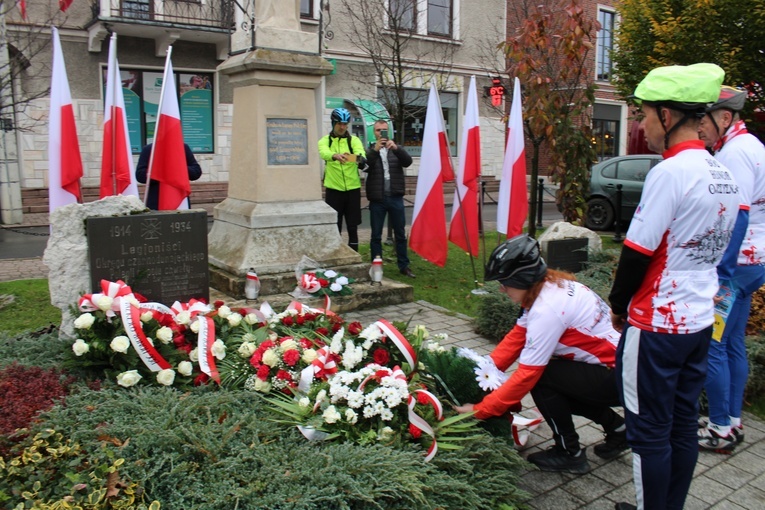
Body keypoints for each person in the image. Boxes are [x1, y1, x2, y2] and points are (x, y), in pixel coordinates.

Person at [608, 63, 738, 510]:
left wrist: (617, 304)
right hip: (699, 318)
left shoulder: (670, 172)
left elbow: (637, 252)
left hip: (656, 321)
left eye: (644, 115)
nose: (642, 125)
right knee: (682, 425)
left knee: (648, 433)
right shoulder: (720, 171)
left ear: (667, 115)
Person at [455, 234, 628, 474]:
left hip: (622, 377)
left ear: (523, 278)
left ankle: (569, 453)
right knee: (557, 379)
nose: (501, 289)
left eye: (504, 282)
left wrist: (480, 410)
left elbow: (527, 375)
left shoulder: (547, 310)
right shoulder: (548, 287)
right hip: (619, 369)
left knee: (544, 379)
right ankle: (619, 429)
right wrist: (482, 374)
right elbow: (517, 338)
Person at [697, 86, 765, 453]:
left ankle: (721, 429)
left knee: (714, 347)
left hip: (735, 266)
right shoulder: (752, 145)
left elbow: (735, 217)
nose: (698, 128)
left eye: (703, 120)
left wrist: (719, 273)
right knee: (735, 343)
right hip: (755, 262)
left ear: (725, 118)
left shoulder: (735, 153)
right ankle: (734, 421)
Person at [365, 119, 416, 278]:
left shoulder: (396, 148)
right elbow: (365, 166)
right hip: (377, 199)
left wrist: (397, 149)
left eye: (384, 130)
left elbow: (408, 162)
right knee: (376, 235)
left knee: (400, 233)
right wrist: (375, 149)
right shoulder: (369, 150)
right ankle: (377, 266)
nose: (381, 133)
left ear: (389, 132)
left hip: (395, 197)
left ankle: (404, 266)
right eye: (378, 130)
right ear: (374, 132)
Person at [318, 108, 366, 251]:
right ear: (333, 123)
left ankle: (354, 254)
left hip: (352, 189)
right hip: (334, 190)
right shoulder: (325, 141)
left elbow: (361, 157)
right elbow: (323, 152)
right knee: (335, 225)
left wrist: (349, 157)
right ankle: (336, 253)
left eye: (345, 124)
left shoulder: (354, 141)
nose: (342, 127)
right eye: (339, 123)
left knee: (353, 226)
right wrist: (335, 156)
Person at [135, 142, 202, 210]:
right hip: (156, 202)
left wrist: (179, 166)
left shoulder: (183, 147)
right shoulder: (149, 149)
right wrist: (163, 170)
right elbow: (140, 176)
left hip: (180, 201)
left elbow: (196, 173)